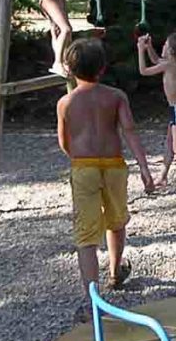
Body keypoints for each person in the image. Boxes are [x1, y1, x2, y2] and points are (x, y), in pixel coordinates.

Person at [57, 38, 154, 320]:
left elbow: (64, 141)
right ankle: (114, 271)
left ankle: (93, 299)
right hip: (113, 166)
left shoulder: (66, 102)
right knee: (116, 219)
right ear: (103, 68)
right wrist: (144, 167)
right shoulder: (116, 96)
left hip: (83, 167)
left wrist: (79, 158)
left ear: (69, 69)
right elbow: (130, 131)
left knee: (86, 234)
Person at [137, 31, 176, 195]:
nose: (163, 47)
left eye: (165, 45)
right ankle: (163, 177)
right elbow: (156, 60)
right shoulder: (174, 63)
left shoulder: (169, 65)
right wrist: (149, 47)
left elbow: (144, 70)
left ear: (171, 51)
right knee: (169, 144)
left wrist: (140, 50)